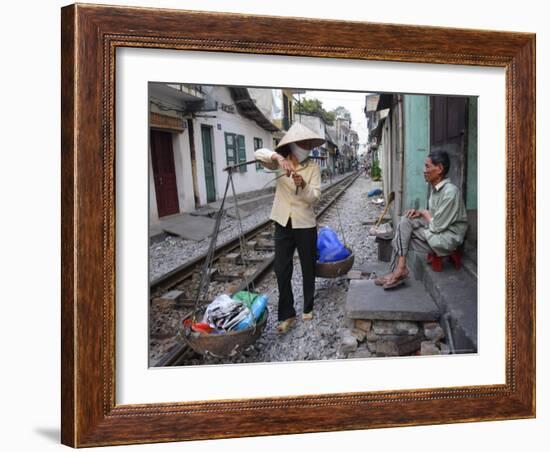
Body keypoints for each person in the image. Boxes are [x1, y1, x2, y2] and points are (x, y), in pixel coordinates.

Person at [254, 122, 324, 333]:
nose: (307, 148)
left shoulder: (312, 167)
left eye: (309, 144)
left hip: (305, 223)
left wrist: (302, 184)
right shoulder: (279, 163)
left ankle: (308, 306)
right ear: (293, 145)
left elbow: (315, 197)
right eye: (303, 143)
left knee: (307, 266)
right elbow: (259, 153)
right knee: (281, 269)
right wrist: (277, 157)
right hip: (283, 222)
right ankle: (287, 313)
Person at [376, 150, 468, 289]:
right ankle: (398, 270)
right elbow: (436, 216)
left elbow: (437, 225)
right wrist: (419, 213)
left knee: (402, 235)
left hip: (447, 237)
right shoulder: (436, 189)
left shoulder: (451, 192)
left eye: (427, 166)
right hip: (438, 230)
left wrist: (424, 213)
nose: (424, 171)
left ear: (440, 169)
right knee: (405, 221)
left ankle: (399, 270)